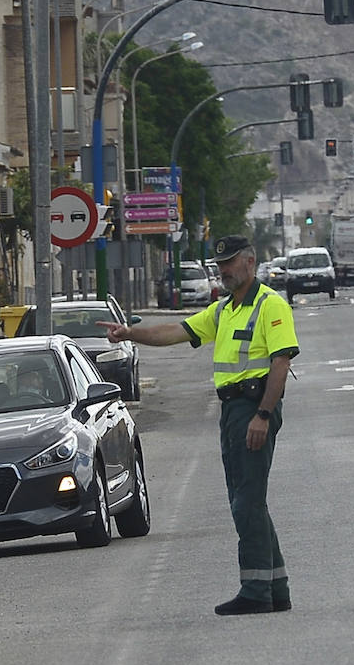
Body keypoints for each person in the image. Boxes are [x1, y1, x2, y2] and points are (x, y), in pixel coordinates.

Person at [99, 235, 299, 616]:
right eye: (220, 264)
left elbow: (281, 362)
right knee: (246, 500)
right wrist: (130, 334)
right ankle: (275, 586)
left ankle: (257, 591)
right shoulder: (224, 310)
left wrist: (262, 415)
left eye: (229, 262)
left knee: (247, 503)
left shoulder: (270, 305)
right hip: (232, 411)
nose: (223, 270)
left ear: (250, 262)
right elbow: (176, 331)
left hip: (253, 408)